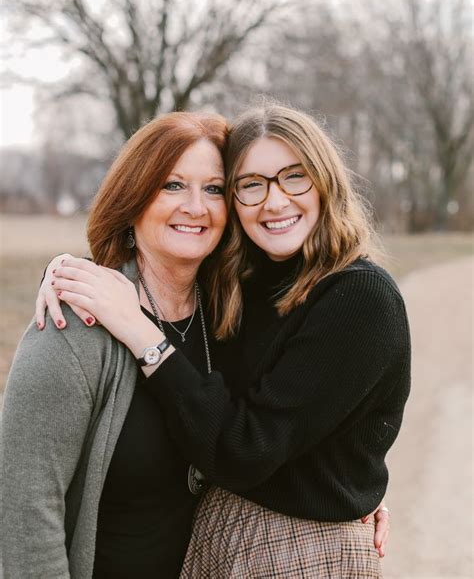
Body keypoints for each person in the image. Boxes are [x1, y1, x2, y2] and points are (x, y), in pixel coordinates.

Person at [31, 102, 407, 577]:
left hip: (305, 552)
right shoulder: (236, 285)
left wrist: (353, 488)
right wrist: (65, 274)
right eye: (251, 184)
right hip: (217, 540)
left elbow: (245, 448)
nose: (274, 201)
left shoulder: (360, 298)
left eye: (295, 177)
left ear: (326, 182)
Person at [0, 111, 229, 578]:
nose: (195, 206)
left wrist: (351, 490)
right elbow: (25, 505)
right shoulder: (75, 324)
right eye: (171, 185)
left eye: (214, 189)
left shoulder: (230, 319)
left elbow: (280, 431)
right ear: (134, 197)